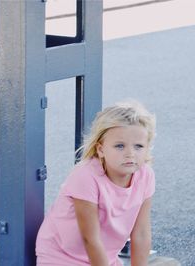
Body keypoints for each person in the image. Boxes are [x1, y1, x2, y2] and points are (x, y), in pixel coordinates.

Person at [36, 100, 156, 266]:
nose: (130, 154)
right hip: (62, 257)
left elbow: (141, 233)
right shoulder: (85, 176)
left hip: (105, 257)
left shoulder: (145, 175)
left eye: (138, 146)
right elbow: (90, 238)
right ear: (101, 149)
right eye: (120, 146)